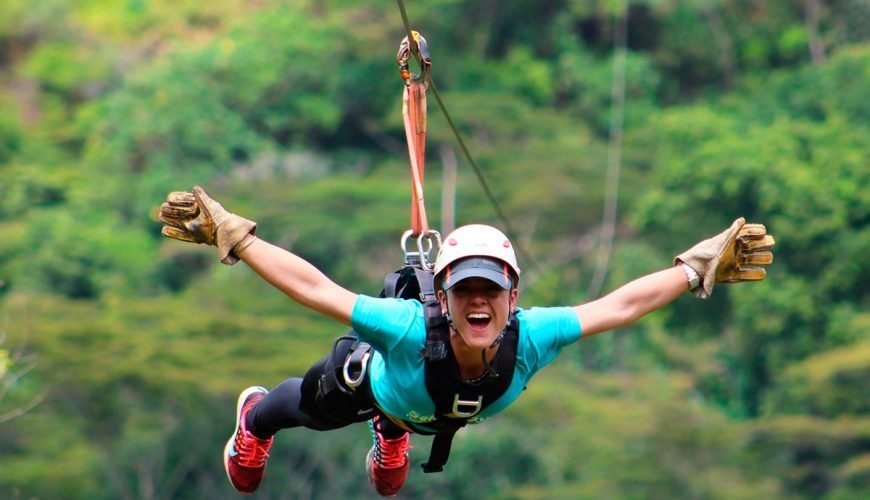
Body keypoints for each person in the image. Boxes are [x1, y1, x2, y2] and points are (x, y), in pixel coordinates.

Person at [158, 186, 775, 496]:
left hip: (423, 406)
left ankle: (394, 432)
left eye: (491, 291)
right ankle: (253, 421)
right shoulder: (405, 327)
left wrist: (694, 269)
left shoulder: (533, 335)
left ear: (513, 297)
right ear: (444, 298)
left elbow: (619, 306)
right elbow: (316, 289)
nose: (478, 302)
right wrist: (237, 238)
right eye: (464, 291)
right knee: (316, 402)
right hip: (382, 383)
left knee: (406, 420)